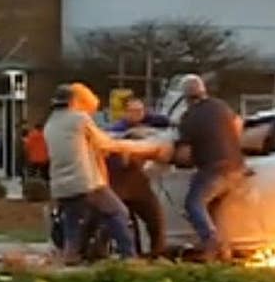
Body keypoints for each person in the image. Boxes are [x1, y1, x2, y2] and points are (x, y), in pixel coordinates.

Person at [44, 83, 166, 265]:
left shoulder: (50, 124)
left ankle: (70, 257)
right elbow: (105, 143)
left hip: (61, 185)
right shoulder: (79, 119)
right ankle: (129, 258)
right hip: (86, 181)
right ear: (74, 101)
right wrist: (145, 147)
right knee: (118, 213)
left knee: (72, 222)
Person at [176, 74, 245, 263]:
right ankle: (223, 252)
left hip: (213, 169)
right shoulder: (220, 106)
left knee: (193, 204)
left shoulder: (189, 117)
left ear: (185, 97)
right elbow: (238, 124)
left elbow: (184, 154)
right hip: (237, 167)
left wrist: (175, 157)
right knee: (213, 210)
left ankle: (210, 242)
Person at [105, 97, 171, 258]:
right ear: (125, 113)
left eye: (140, 111)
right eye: (133, 111)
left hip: (139, 182)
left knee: (156, 218)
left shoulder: (150, 124)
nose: (137, 114)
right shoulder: (117, 130)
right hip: (118, 182)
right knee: (122, 221)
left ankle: (158, 254)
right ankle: (130, 255)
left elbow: (167, 123)